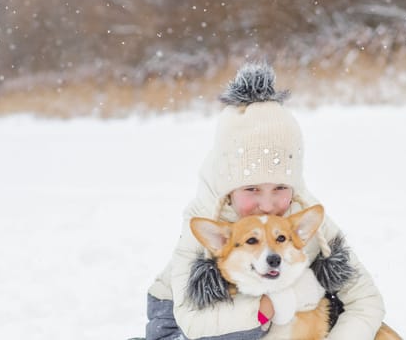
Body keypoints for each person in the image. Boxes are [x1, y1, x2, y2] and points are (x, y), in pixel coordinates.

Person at [146, 62, 389, 340]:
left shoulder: (303, 216)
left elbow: (366, 301)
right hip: (180, 322)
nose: (268, 204)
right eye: (251, 188)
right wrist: (275, 304)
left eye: (280, 187)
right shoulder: (206, 215)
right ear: (229, 189)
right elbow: (193, 322)